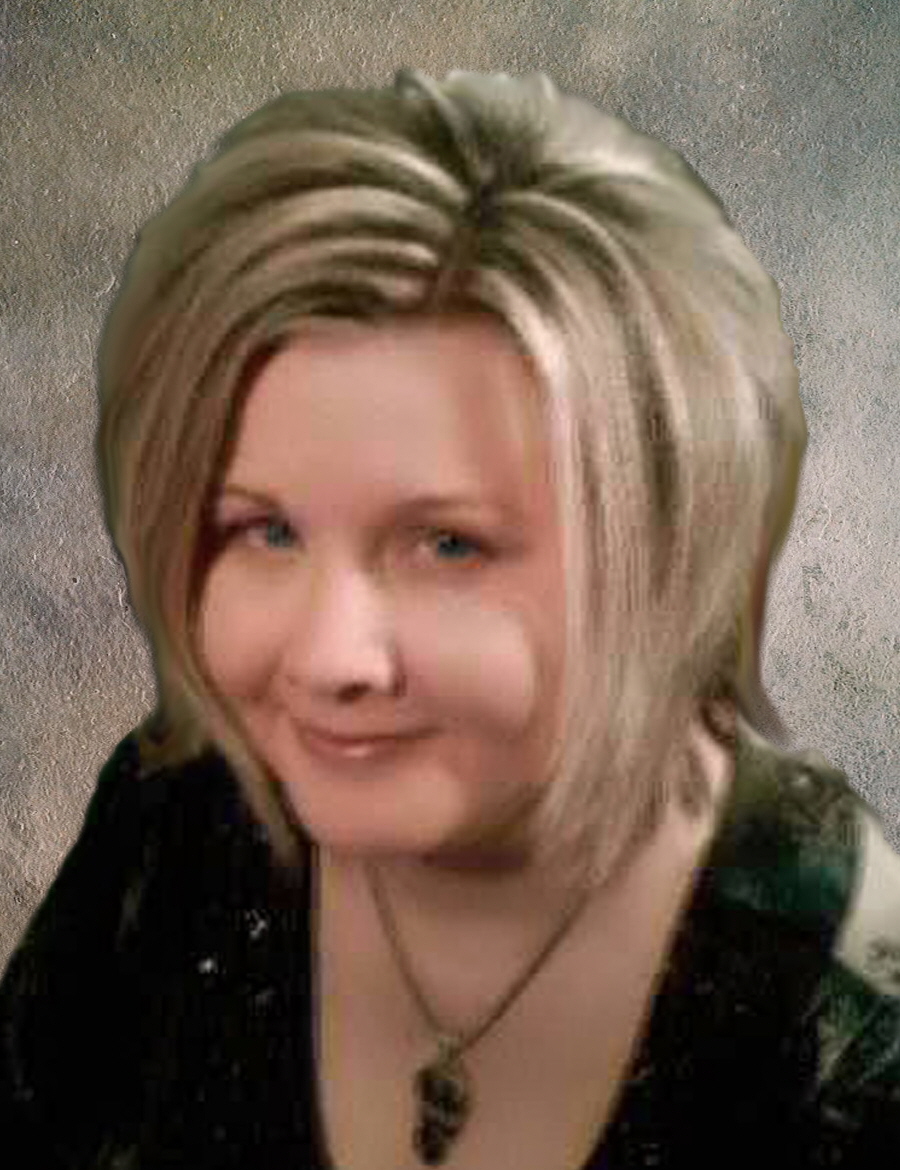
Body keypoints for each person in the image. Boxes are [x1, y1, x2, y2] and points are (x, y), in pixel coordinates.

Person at [1, 68, 898, 1169]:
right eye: (265, 530)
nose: (328, 658)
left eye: (447, 545)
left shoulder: (849, 1020)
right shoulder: (178, 820)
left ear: (668, 557)